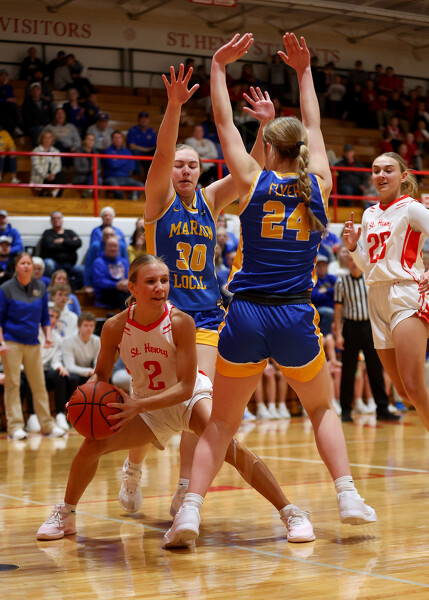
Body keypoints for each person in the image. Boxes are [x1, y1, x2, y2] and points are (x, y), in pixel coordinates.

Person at [164, 32, 377, 549]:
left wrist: (218, 67)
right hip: (294, 315)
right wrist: (304, 73)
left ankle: (189, 511)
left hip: (244, 316)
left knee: (221, 423)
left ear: (269, 148)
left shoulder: (251, 180)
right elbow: (316, 126)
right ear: (300, 149)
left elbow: (222, 123)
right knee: (321, 409)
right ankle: (347, 495)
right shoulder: (319, 183)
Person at [37, 255, 315, 543]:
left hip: (188, 400)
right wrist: (82, 395)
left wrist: (137, 406)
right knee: (91, 445)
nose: (160, 287)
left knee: (230, 448)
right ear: (132, 288)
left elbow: (185, 387)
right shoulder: (114, 327)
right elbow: (101, 375)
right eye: (150, 281)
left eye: (164, 280)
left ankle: (290, 513)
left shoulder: (180, 322)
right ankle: (66, 514)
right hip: (148, 406)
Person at [120, 61, 275, 517]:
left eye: (192, 165)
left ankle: (186, 487)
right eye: (179, 165)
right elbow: (161, 155)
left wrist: (263, 127)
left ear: (201, 171)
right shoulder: (158, 200)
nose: (184, 170)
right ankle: (133, 468)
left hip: (205, 316)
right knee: (147, 403)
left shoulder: (210, 200)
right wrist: (174, 107)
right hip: (159, 315)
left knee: (196, 399)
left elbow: (250, 169)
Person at [343, 151, 429, 432]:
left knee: (413, 386)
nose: (381, 175)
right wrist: (354, 247)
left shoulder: (412, 208)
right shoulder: (369, 214)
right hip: (376, 297)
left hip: (405, 293)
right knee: (404, 393)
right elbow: (369, 266)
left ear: (403, 176)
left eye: (388, 170)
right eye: (376, 170)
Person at [0, 252, 65, 440]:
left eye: (29, 263)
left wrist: (48, 336)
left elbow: (45, 316)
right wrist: (1, 342)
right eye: (23, 263)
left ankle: (47, 426)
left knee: (39, 384)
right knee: (13, 384)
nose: (27, 266)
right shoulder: (6, 288)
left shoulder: (40, 287)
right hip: (11, 343)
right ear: (16, 266)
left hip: (34, 343)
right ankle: (15, 427)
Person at [333, 253, 400, 423]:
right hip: (350, 328)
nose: (353, 263)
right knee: (348, 370)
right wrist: (338, 334)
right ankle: (346, 410)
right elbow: (338, 310)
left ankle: (382, 408)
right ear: (347, 263)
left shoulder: (369, 280)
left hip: (369, 326)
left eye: (354, 259)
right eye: (350, 260)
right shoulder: (341, 283)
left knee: (375, 368)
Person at [24, 305, 73, 434]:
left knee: (59, 376)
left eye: (56, 317)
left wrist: (60, 367)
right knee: (30, 375)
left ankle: (60, 415)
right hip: (29, 368)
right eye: (51, 316)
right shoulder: (33, 333)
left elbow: (55, 360)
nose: (53, 320)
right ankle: (32, 416)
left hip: (45, 369)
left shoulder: (57, 338)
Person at [39, 211, 84, 288]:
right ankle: (50, 288)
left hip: (70, 265)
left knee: (82, 270)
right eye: (54, 218)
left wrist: (62, 241)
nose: (56, 220)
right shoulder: (48, 233)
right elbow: (49, 246)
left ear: (62, 220)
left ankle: (71, 290)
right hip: (55, 264)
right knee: (47, 263)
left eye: (58, 218)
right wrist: (69, 245)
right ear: (51, 221)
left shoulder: (70, 232)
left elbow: (78, 243)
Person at [62, 312, 100, 392]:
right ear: (78, 327)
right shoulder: (68, 341)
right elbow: (70, 366)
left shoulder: (97, 341)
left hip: (90, 371)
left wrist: (95, 371)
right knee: (73, 378)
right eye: (86, 325)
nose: (89, 328)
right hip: (74, 372)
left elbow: (98, 362)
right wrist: (88, 371)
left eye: (91, 325)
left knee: (102, 378)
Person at [103, 131, 144, 200]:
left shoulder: (127, 151)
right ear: (112, 139)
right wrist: (125, 160)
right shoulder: (108, 151)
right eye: (115, 138)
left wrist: (118, 160)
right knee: (116, 188)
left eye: (119, 138)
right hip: (112, 177)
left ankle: (129, 202)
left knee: (141, 185)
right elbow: (113, 165)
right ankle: (120, 201)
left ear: (122, 139)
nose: (117, 140)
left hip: (126, 178)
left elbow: (131, 167)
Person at [92, 237, 129, 309]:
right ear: (105, 247)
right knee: (125, 296)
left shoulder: (123, 261)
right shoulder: (99, 262)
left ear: (118, 248)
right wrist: (116, 285)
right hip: (105, 293)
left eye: (115, 246)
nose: (112, 248)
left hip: (123, 290)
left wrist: (126, 283)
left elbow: (129, 277)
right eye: (110, 246)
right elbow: (99, 281)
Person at [30, 130, 66, 197]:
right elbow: (36, 167)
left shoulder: (56, 151)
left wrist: (53, 174)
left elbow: (58, 165)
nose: (47, 140)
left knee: (62, 174)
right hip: (41, 177)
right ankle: (50, 195)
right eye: (45, 138)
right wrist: (46, 176)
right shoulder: (36, 151)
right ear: (42, 139)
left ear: (52, 139)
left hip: (52, 176)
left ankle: (54, 193)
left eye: (49, 138)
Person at [126, 111, 157, 176]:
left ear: (148, 120)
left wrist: (149, 150)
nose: (144, 120)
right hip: (138, 153)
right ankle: (138, 175)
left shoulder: (152, 131)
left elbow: (156, 146)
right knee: (135, 152)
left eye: (146, 118)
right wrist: (147, 149)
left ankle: (153, 175)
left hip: (148, 154)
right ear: (138, 120)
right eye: (142, 118)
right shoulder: (133, 130)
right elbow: (132, 146)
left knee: (155, 152)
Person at [72, 132, 101, 198]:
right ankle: (95, 199)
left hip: (93, 175)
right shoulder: (78, 151)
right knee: (98, 180)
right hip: (81, 177)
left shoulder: (96, 152)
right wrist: (89, 169)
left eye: (92, 140)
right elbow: (77, 168)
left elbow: (98, 167)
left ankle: (89, 191)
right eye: (89, 139)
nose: (91, 142)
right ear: (84, 141)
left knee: (98, 175)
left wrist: (94, 169)